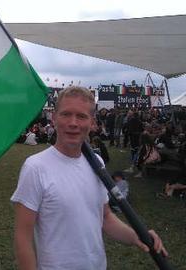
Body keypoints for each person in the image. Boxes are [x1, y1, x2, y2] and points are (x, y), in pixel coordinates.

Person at [11, 86, 166, 269]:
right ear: (54, 118)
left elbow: (106, 217)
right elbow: (23, 237)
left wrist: (137, 236)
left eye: (82, 116)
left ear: (92, 122)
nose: (73, 123)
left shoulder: (97, 162)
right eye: (66, 114)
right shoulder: (35, 167)